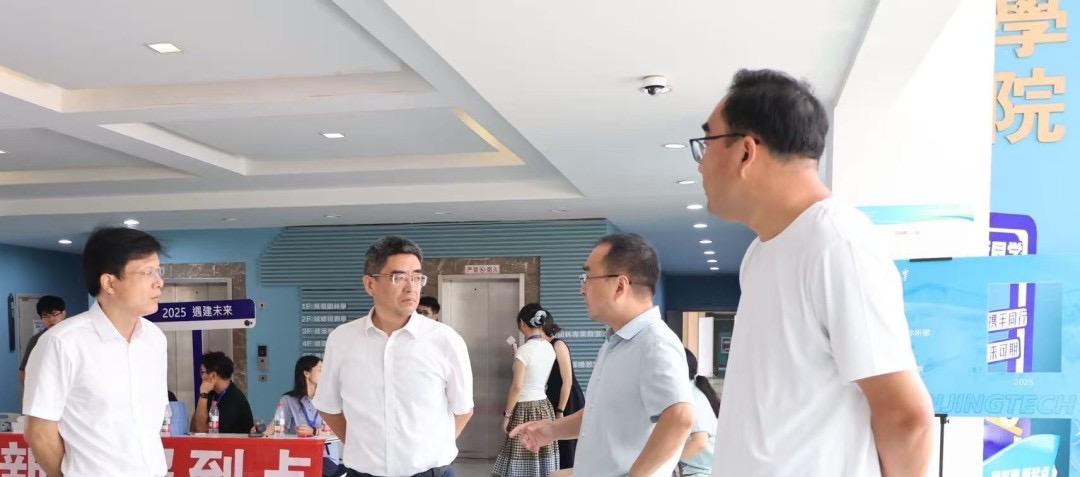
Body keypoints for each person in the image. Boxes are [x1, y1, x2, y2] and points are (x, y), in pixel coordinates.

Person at [694, 68, 934, 476]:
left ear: (746, 151)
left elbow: (906, 416)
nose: (701, 166)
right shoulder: (761, 253)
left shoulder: (838, 243)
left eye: (707, 143)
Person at [511, 233, 695, 477]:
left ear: (620, 286)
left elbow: (680, 418)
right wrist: (553, 430)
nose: (582, 289)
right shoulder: (615, 342)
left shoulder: (655, 343)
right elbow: (600, 413)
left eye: (588, 277)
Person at [313, 235, 474, 477]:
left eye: (417, 277)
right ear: (370, 284)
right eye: (399, 277)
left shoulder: (445, 340)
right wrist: (365, 450)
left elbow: (463, 410)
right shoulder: (342, 340)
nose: (411, 287)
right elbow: (328, 406)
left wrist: (428, 451)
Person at [23, 227, 168, 477]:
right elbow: (40, 433)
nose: (159, 282)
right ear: (109, 283)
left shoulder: (155, 339)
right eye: (147, 272)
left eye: (158, 271)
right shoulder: (61, 343)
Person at [491, 304, 560, 476]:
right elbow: (539, 378)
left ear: (522, 323)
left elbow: (517, 388)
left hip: (523, 408)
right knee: (541, 452)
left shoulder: (524, 351)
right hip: (544, 406)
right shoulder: (549, 348)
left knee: (519, 452)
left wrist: (507, 415)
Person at [268, 355, 342, 477]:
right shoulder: (288, 399)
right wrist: (260, 432)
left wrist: (314, 431)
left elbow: (339, 430)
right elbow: (275, 424)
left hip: (324, 457)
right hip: (297, 455)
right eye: (320, 369)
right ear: (307, 373)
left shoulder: (329, 399)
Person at [539, 307, 585, 469]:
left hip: (568, 399)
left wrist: (560, 410)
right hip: (552, 396)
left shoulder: (558, 344)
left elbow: (568, 381)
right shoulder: (542, 348)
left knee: (568, 445)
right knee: (557, 444)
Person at [190, 351, 255, 434]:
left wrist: (203, 394)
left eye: (202, 372)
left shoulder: (234, 399)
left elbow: (201, 430)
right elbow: (194, 427)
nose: (201, 377)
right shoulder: (212, 393)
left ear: (213, 375)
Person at [678, 349, 719, 477]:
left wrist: (667, 459)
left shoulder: (692, 397)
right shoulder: (685, 392)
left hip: (700, 471)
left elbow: (699, 442)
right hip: (694, 469)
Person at [18, 295, 67, 384]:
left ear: (63, 313)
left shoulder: (74, 336)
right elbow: (23, 371)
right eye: (45, 316)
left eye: (55, 314)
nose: (51, 319)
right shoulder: (36, 340)